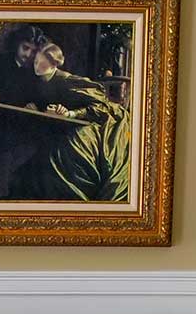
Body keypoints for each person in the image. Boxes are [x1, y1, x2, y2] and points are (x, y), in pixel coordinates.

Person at [21, 42, 132, 201]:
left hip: (104, 119)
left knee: (70, 149)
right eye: (36, 62)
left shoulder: (67, 81)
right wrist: (36, 108)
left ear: (54, 64)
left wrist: (70, 113)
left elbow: (101, 105)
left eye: (42, 63)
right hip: (69, 123)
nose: (36, 66)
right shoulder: (39, 81)